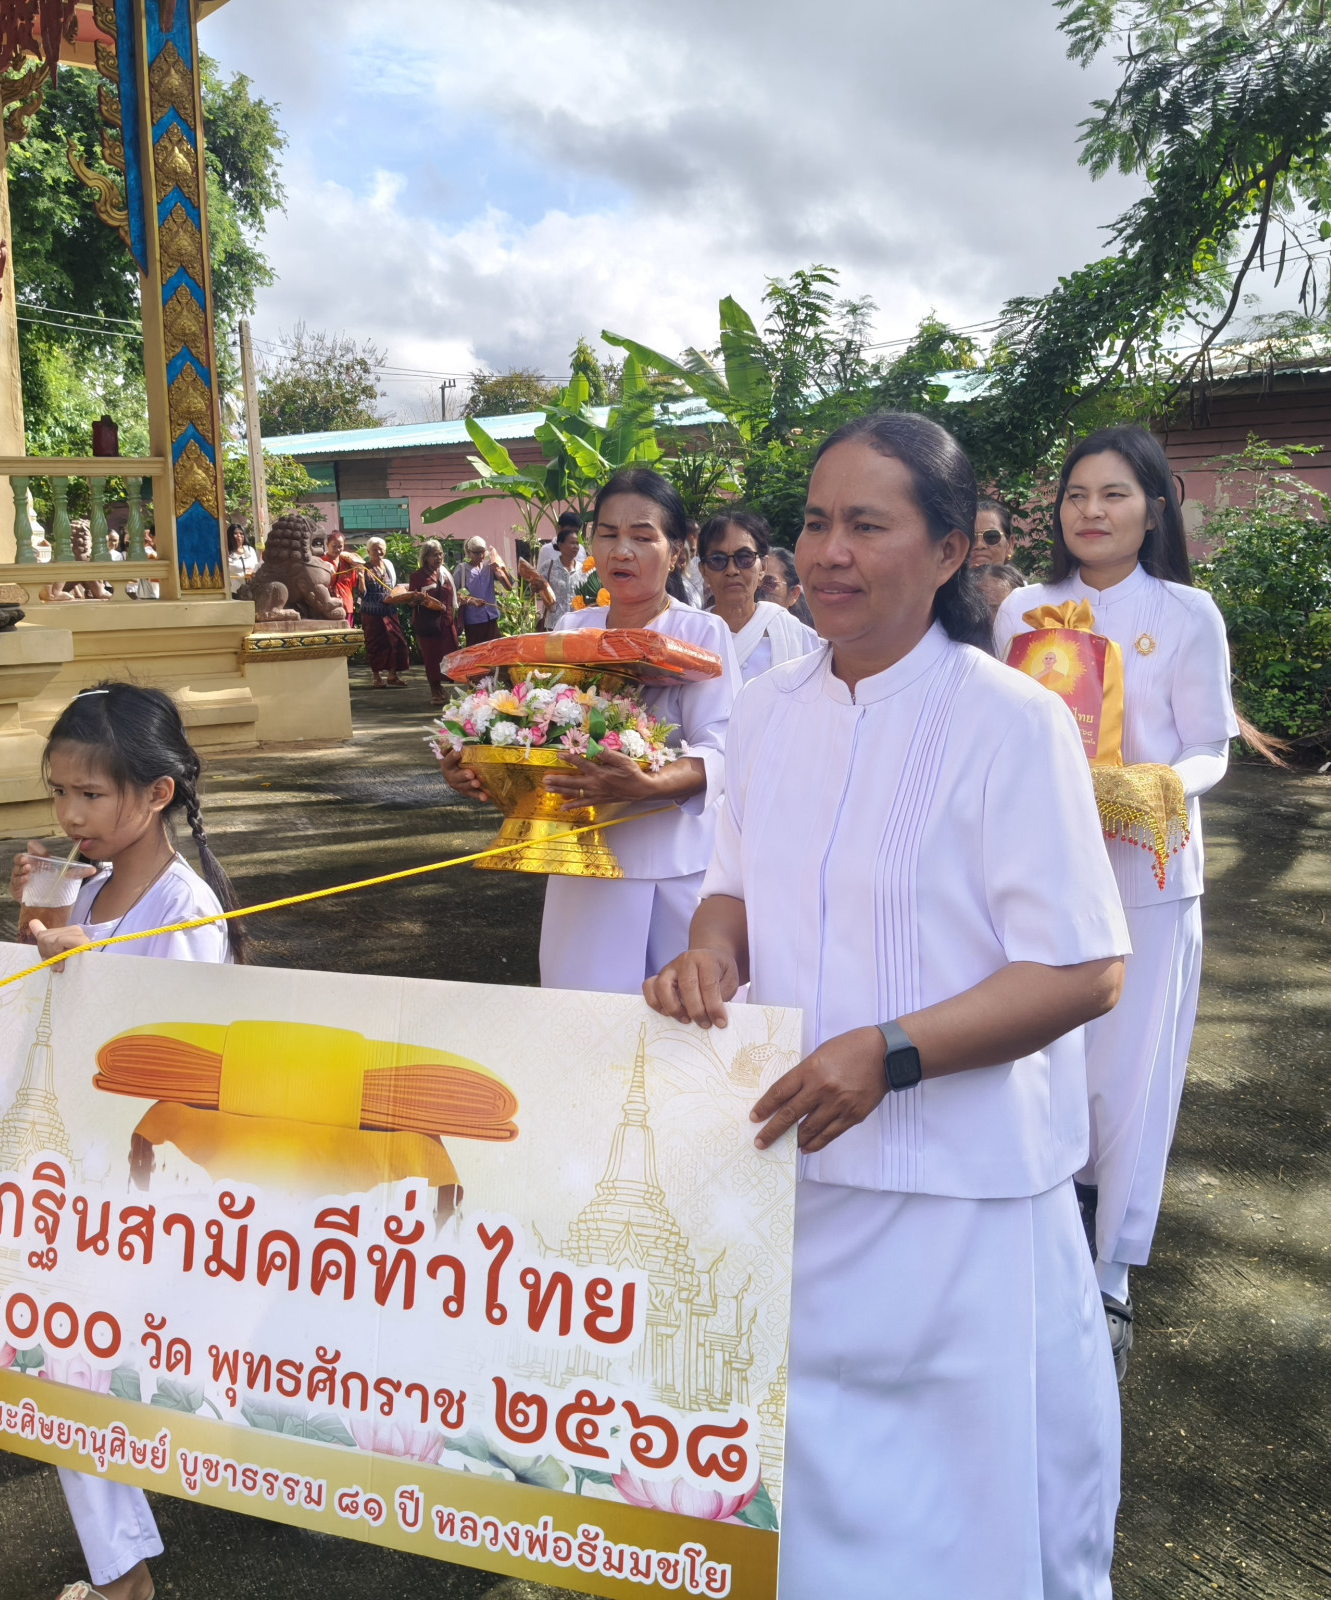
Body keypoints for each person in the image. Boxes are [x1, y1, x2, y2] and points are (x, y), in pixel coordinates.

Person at [644, 411, 1127, 1599]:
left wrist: (893, 1053)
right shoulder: (766, 710)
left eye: (869, 524)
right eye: (815, 522)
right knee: (810, 1514)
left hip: (959, 1204)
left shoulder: (1008, 722)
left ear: (954, 549)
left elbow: (1081, 968)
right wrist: (707, 958)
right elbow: (732, 892)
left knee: (961, 1526)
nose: (828, 553)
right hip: (796, 1182)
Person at [992, 425, 1238, 1376]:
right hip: (1040, 867)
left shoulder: (1186, 612)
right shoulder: (1025, 607)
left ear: (1153, 509)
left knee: (1129, 1078)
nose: (1091, 512)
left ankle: (1110, 1275)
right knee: (1037, 1060)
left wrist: (1162, 786)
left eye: (1114, 495)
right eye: (1075, 495)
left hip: (1146, 866)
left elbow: (1210, 742)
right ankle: (1033, 1241)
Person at [5, 682, 243, 1600]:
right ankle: (120, 1568)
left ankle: (123, 1577)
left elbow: (177, 1055)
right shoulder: (87, 883)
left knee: (75, 1365)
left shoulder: (185, 906)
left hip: (151, 1190)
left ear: (157, 795)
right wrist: (31, 929)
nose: (70, 814)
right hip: (80, 1171)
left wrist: (84, 963)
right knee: (69, 1363)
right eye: (59, 791)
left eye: (91, 795)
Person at [438, 468, 738, 995]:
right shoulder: (571, 630)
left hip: (672, 864)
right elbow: (538, 740)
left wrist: (648, 782)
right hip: (579, 858)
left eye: (643, 537)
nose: (623, 551)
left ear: (676, 552)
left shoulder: (700, 631)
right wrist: (482, 767)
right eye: (608, 533)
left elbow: (724, 749)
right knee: (579, 1022)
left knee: (677, 1032)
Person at [698, 508, 819, 681]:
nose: (732, 570)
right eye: (718, 559)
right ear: (703, 571)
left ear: (762, 567)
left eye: (744, 557)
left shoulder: (798, 637)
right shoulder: (690, 635)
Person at [403, 541, 461, 693]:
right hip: (428, 624)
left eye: (440, 554)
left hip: (447, 623)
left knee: (448, 655)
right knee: (432, 657)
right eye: (434, 555)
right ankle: (435, 689)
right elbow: (410, 601)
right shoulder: (418, 576)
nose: (438, 557)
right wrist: (416, 600)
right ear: (426, 557)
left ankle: (441, 685)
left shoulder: (446, 575)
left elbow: (453, 598)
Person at [356, 552, 410, 688]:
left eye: (380, 549)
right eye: (374, 549)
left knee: (396, 641)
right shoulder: (364, 568)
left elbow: (392, 586)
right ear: (369, 552)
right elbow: (362, 593)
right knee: (374, 643)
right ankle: (377, 677)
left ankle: (392, 675)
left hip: (389, 610)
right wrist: (361, 578)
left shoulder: (388, 566)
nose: (378, 552)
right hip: (372, 612)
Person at [458, 536, 505, 645]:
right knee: (477, 654)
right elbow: (455, 595)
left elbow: (507, 583)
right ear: (469, 553)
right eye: (476, 553)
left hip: (491, 619)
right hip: (474, 622)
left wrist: (499, 569)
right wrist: (471, 602)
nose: (481, 556)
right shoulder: (462, 569)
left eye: (482, 552)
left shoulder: (489, 567)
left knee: (495, 652)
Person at [757, 546, 815, 627]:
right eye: (755, 581)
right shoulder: (735, 633)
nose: (758, 587)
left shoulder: (805, 638)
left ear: (794, 594)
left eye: (769, 582)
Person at [972, 496, 1017, 570]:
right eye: (971, 537)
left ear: (1010, 545)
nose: (979, 545)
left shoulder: (1019, 582)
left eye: (991, 537)